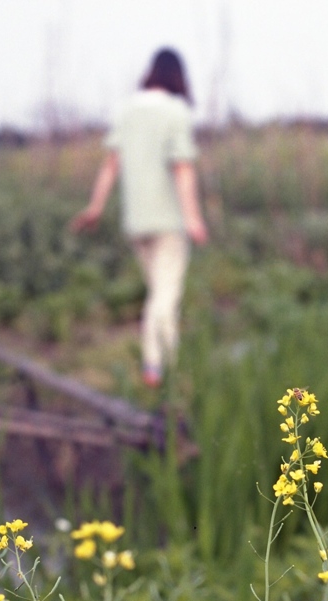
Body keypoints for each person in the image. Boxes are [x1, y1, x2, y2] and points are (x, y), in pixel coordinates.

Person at [71, 48, 208, 387]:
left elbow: (111, 164)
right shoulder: (176, 112)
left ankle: (167, 366)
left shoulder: (127, 110)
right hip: (169, 222)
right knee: (164, 298)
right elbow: (182, 168)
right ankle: (155, 367)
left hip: (137, 222)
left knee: (160, 295)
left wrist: (95, 206)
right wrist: (193, 218)